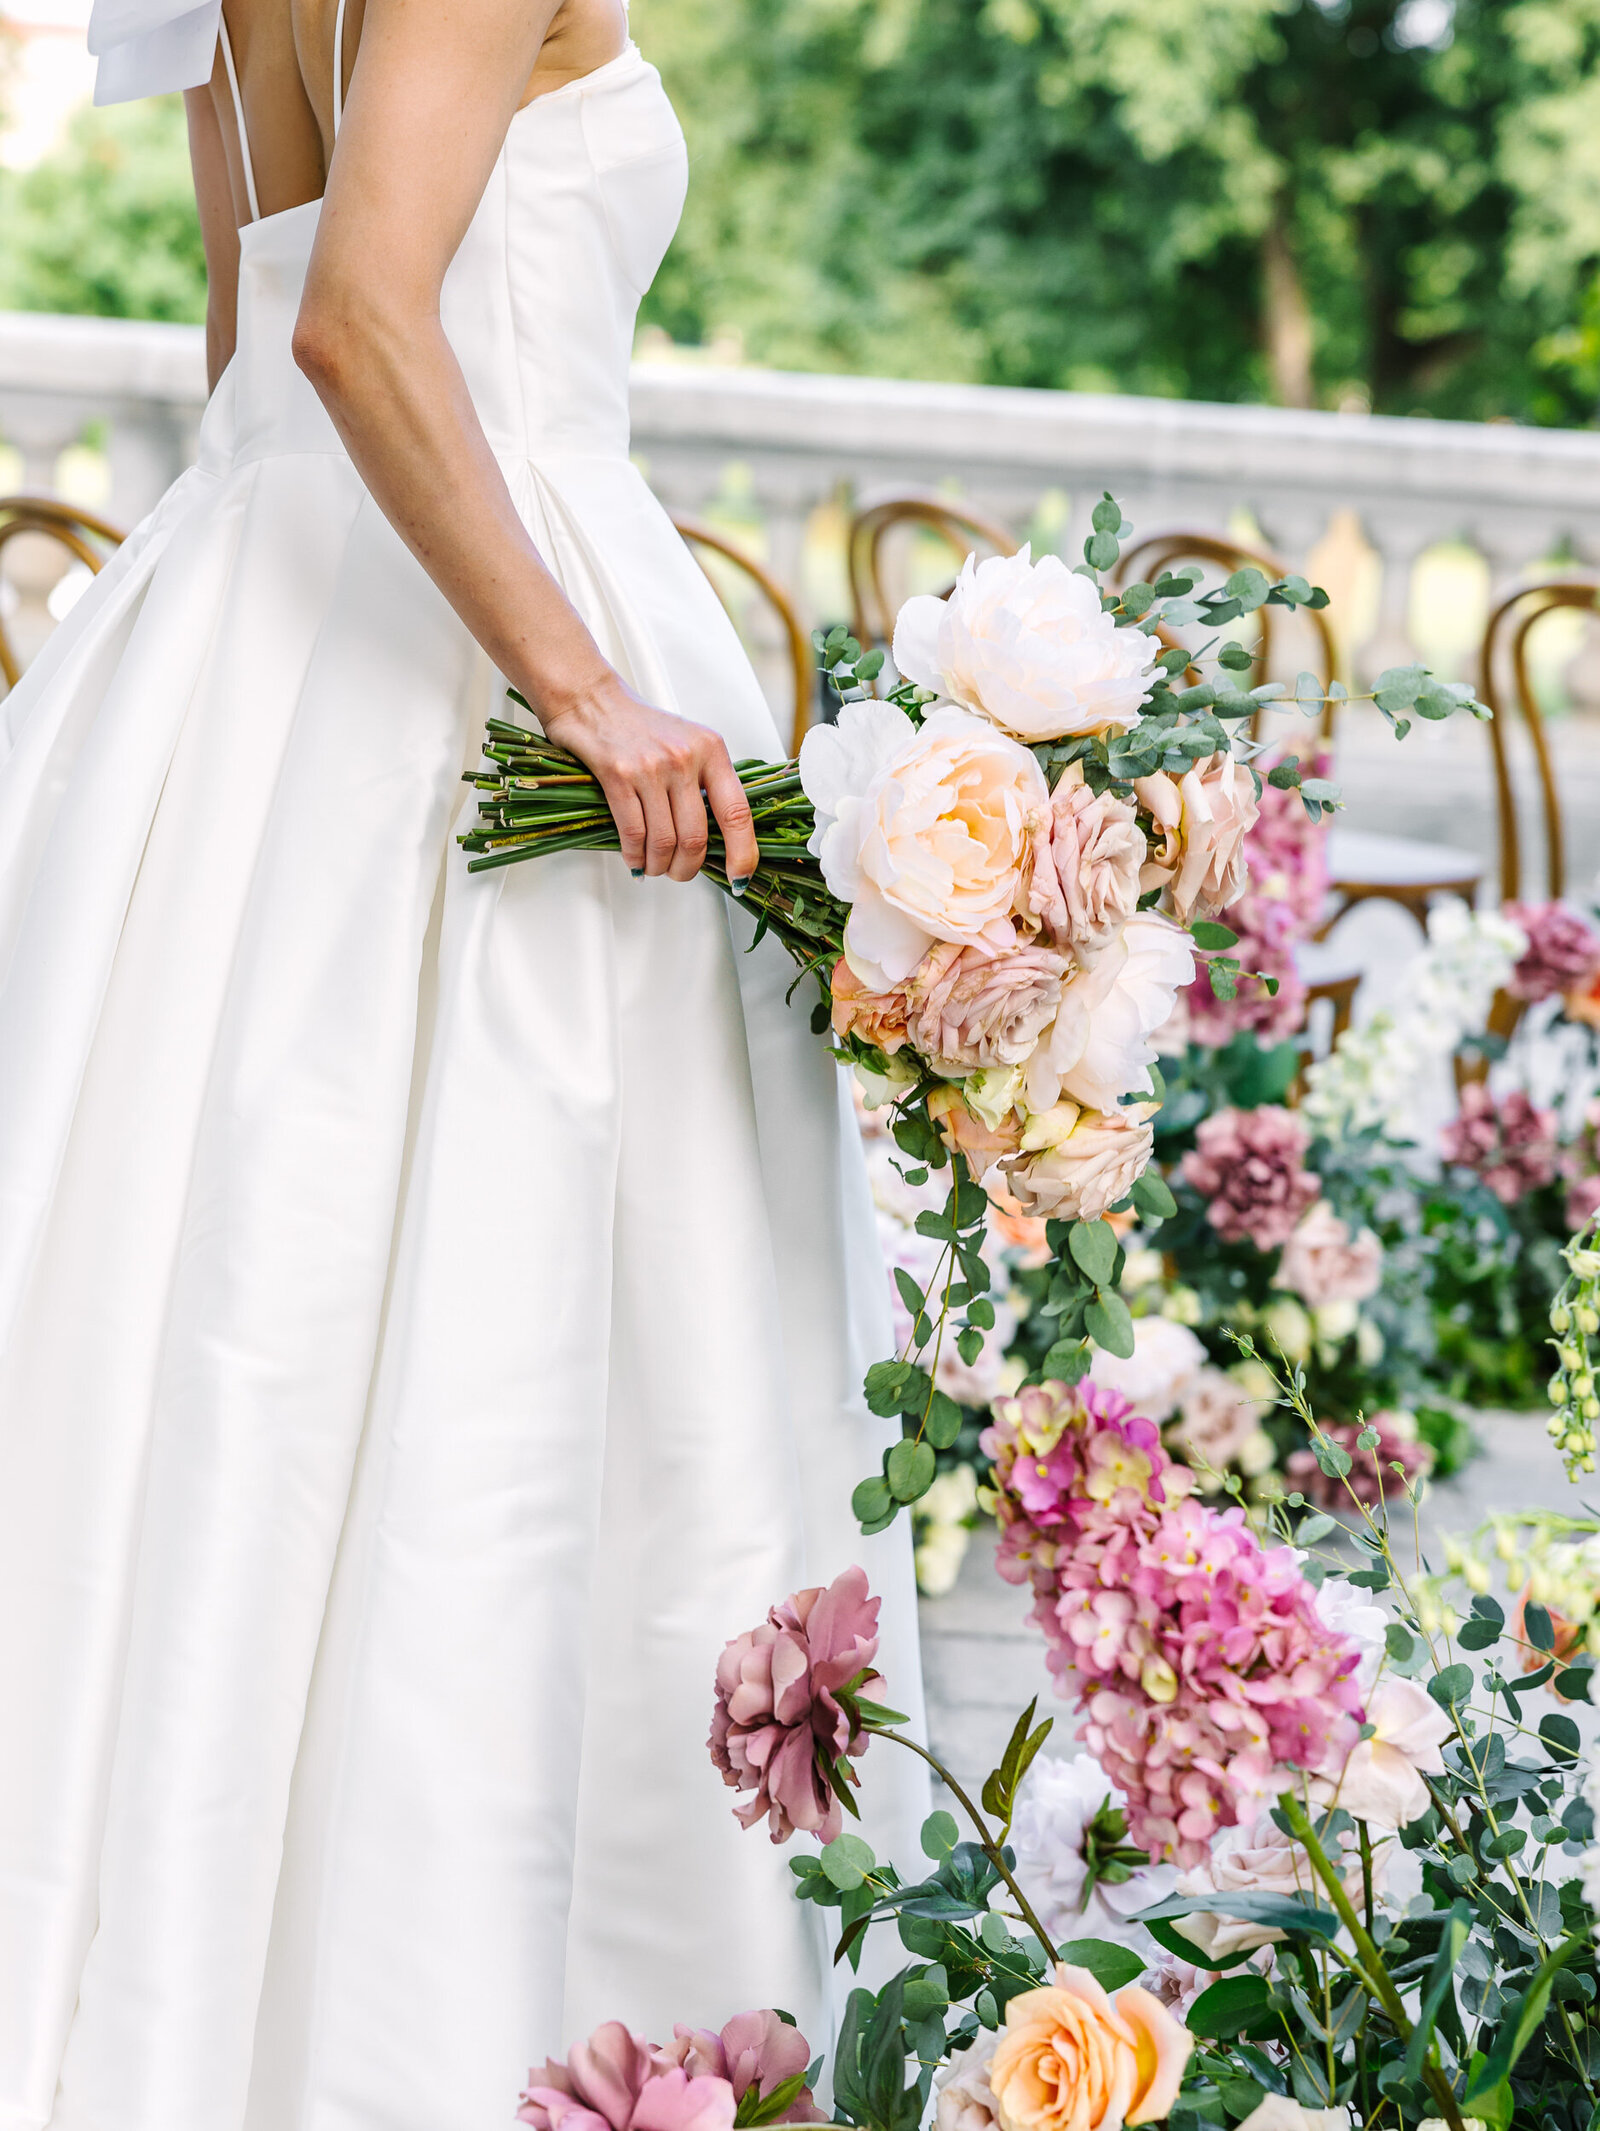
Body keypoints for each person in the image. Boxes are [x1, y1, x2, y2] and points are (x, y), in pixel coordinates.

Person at [0, 0, 926, 2119]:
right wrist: (583, 687)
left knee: (214, 1355)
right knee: (491, 1377)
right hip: (465, 639)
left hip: (236, 654)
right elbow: (351, 324)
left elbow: (254, 311)